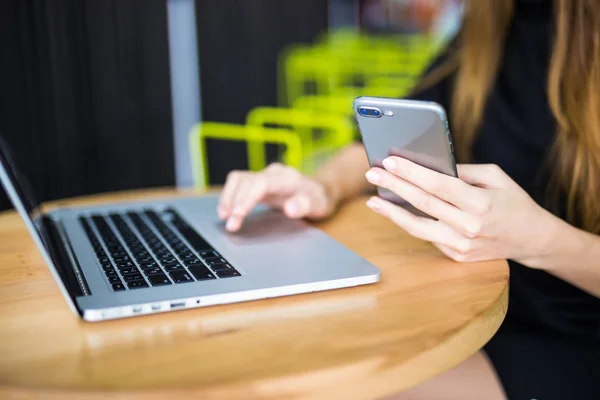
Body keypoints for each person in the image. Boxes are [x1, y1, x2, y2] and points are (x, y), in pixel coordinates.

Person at [217, 0, 600, 398]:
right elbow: (392, 136)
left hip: (571, 339)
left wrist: (539, 241)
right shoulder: (494, 21)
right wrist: (322, 186)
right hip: (465, 304)